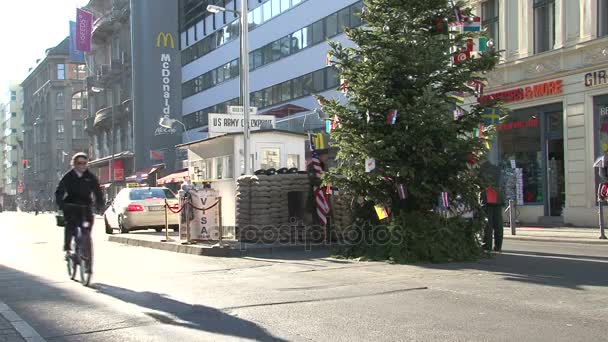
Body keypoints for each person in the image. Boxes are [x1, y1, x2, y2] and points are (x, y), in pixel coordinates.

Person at [55, 153, 104, 257]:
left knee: (87, 228)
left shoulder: (90, 177)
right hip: (71, 206)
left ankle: (86, 252)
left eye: (84, 163)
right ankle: (68, 247)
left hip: (86, 206)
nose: (82, 165)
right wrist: (61, 204)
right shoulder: (68, 176)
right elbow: (59, 191)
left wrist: (100, 204)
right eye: (79, 163)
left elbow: (98, 191)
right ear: (74, 164)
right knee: (70, 225)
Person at [479, 160, 504, 252]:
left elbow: (479, 184)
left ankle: (487, 245)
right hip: (498, 197)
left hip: (487, 197)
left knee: (488, 223)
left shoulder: (481, 170)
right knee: (498, 223)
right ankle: (498, 246)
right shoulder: (497, 169)